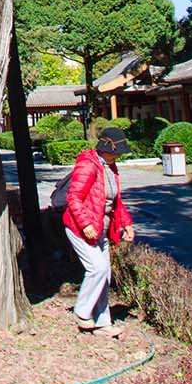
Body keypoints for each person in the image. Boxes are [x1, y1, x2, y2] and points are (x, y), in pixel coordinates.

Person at [62, 125, 135, 338]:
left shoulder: (110, 168)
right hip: (81, 228)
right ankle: (82, 312)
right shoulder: (88, 165)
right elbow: (74, 198)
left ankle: (103, 324)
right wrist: (85, 224)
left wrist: (126, 224)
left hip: (100, 230)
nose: (120, 155)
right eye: (117, 151)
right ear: (106, 148)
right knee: (98, 269)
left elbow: (115, 201)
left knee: (105, 274)